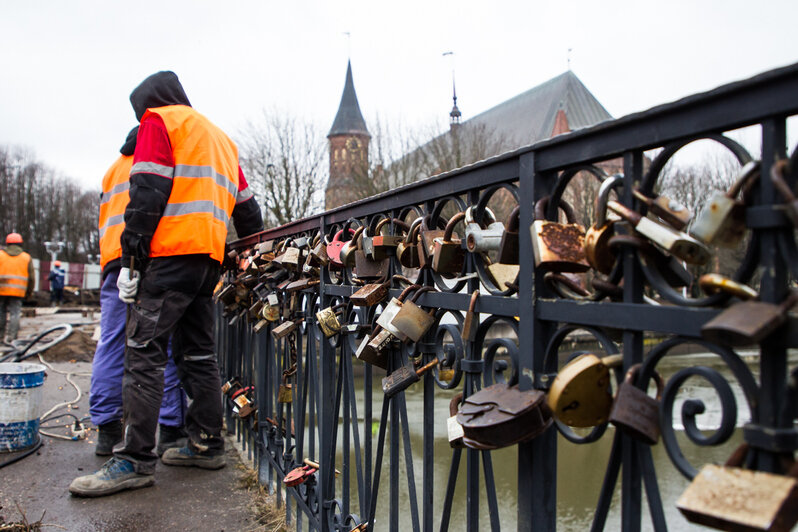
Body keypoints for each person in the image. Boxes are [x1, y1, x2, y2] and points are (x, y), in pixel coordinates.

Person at [70, 71, 263, 497]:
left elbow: (148, 188)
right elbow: (249, 213)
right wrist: (238, 250)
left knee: (143, 353)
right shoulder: (221, 139)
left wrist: (132, 255)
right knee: (197, 354)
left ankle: (135, 460)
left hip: (169, 256)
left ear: (149, 104)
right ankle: (207, 444)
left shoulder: (161, 122)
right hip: (207, 262)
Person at [89, 126, 188, 458]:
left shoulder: (113, 169)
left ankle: (106, 430)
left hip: (112, 261)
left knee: (112, 341)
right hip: (147, 259)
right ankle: (172, 431)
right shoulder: (157, 159)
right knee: (159, 341)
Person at [0, 233, 34, 343]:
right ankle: (12, 338)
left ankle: (0, 337)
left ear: (7, 243)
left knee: (1, 312)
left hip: (1, 290)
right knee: (15, 313)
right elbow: (32, 278)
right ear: (20, 243)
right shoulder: (26, 257)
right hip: (18, 291)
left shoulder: (0, 255)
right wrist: (29, 293)